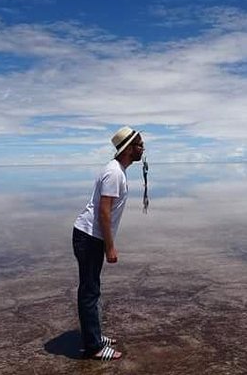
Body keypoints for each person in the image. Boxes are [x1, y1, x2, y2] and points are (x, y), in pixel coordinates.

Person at [72, 126, 145, 361]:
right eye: (139, 144)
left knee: (92, 288)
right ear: (128, 149)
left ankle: (94, 336)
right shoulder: (114, 173)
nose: (142, 148)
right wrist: (110, 246)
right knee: (89, 291)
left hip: (91, 237)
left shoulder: (117, 170)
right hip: (90, 237)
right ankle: (93, 347)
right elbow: (104, 212)